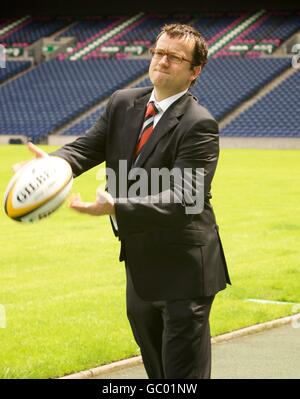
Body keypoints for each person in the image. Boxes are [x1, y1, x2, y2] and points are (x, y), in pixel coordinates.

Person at [25, 23, 231, 379]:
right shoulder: (123, 103)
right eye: (158, 52)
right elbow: (86, 147)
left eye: (174, 57)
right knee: (157, 371)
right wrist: (55, 165)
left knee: (182, 376)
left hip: (185, 270)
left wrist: (118, 205)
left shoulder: (199, 124)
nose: (162, 61)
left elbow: (185, 198)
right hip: (139, 265)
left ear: (194, 71)